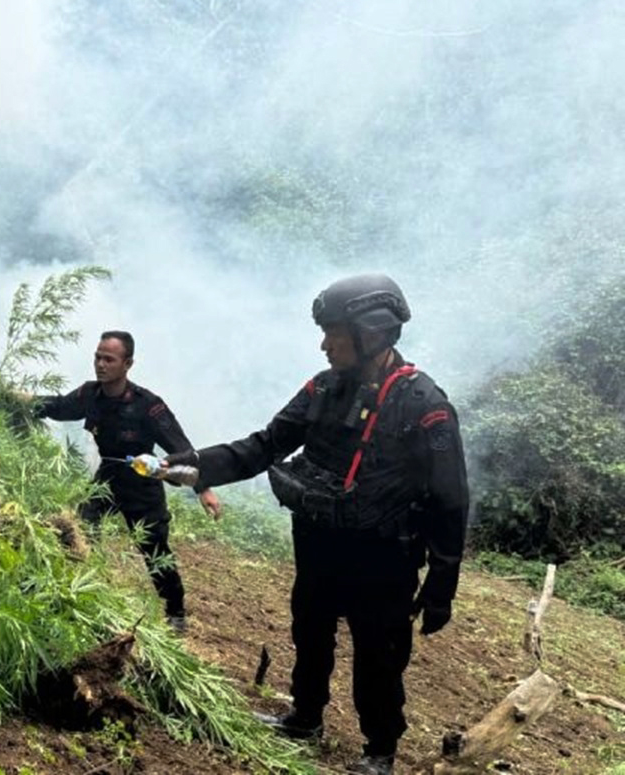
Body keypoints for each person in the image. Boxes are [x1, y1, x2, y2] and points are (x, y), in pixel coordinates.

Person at [165, 274, 468, 775]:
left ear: (371, 333)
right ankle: (305, 718)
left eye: (334, 332)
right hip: (320, 541)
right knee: (310, 630)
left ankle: (379, 750)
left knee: (379, 652)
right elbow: (265, 445)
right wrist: (197, 465)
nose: (324, 344)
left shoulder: (425, 407)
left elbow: (451, 499)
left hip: (384, 555)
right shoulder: (322, 388)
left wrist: (442, 583)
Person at [32, 330, 220, 634]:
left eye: (109, 359)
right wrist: (21, 401)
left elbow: (180, 447)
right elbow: (58, 407)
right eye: (98, 357)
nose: (101, 364)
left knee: (155, 550)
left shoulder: (148, 404)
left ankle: (176, 612)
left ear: (127, 364)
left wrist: (204, 489)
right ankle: (83, 594)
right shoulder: (89, 395)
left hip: (143, 484)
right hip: (106, 479)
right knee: (80, 532)